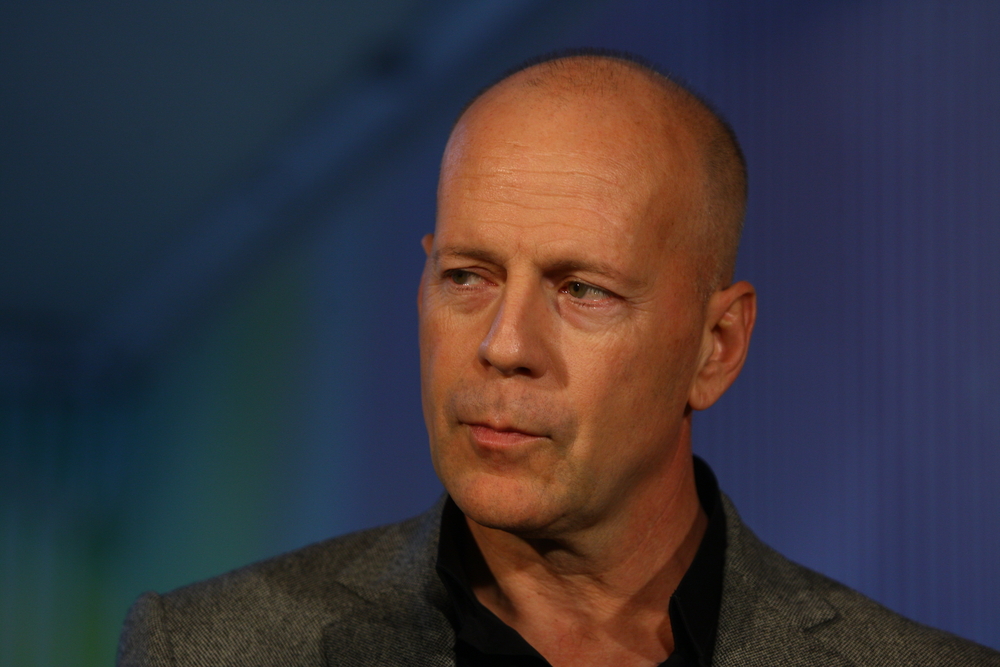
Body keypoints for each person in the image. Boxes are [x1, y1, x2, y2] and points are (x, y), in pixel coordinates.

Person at [117, 50, 1000, 667]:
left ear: (716, 347)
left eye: (582, 291)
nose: (503, 345)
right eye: (467, 276)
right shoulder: (206, 648)